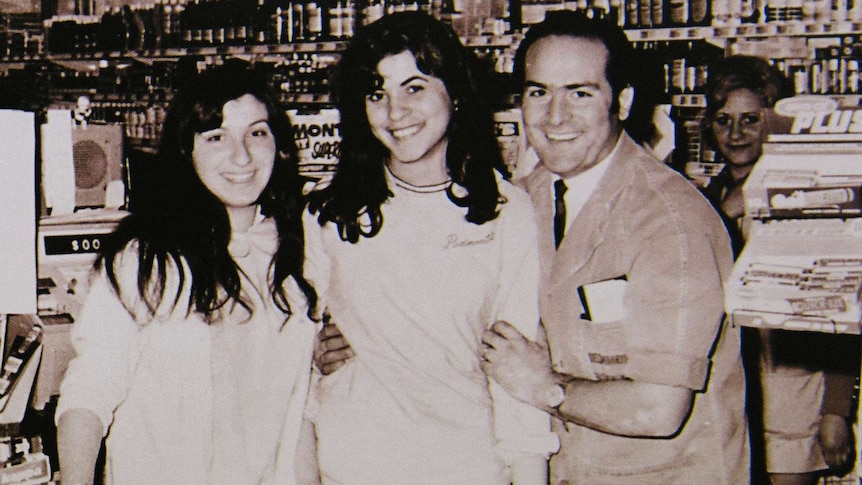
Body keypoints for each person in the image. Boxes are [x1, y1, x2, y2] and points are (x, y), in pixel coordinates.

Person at [477, 11, 749, 483]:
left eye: (580, 93)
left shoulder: (672, 221)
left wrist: (547, 386)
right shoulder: (521, 200)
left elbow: (656, 411)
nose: (555, 117)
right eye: (539, 92)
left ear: (621, 100)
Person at [302, 11, 558, 485]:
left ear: (455, 94)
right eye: (377, 93)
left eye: (414, 87)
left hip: (467, 469)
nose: (395, 112)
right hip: (352, 468)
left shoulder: (506, 212)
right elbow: (292, 363)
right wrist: (308, 349)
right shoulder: (327, 214)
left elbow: (517, 375)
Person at [55, 61, 319, 485]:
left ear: (279, 144)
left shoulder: (296, 255)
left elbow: (298, 411)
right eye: (217, 137)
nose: (242, 156)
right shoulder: (147, 258)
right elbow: (91, 388)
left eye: (257, 133)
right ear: (187, 149)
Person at [703, 54, 859, 485]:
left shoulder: (808, 198)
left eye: (750, 119)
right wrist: (721, 212)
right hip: (725, 401)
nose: (735, 133)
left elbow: (839, 312)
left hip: (791, 402)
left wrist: (835, 411)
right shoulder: (701, 201)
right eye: (723, 119)